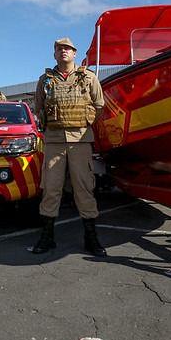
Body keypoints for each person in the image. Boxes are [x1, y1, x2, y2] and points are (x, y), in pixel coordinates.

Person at [32, 37, 106, 256]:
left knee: (84, 187)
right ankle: (47, 237)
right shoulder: (45, 80)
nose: (63, 51)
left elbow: (99, 105)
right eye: (59, 49)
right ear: (54, 54)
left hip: (80, 141)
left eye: (67, 48)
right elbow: (38, 107)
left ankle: (91, 238)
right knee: (51, 188)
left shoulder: (88, 78)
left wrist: (85, 121)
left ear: (74, 53)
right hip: (54, 141)